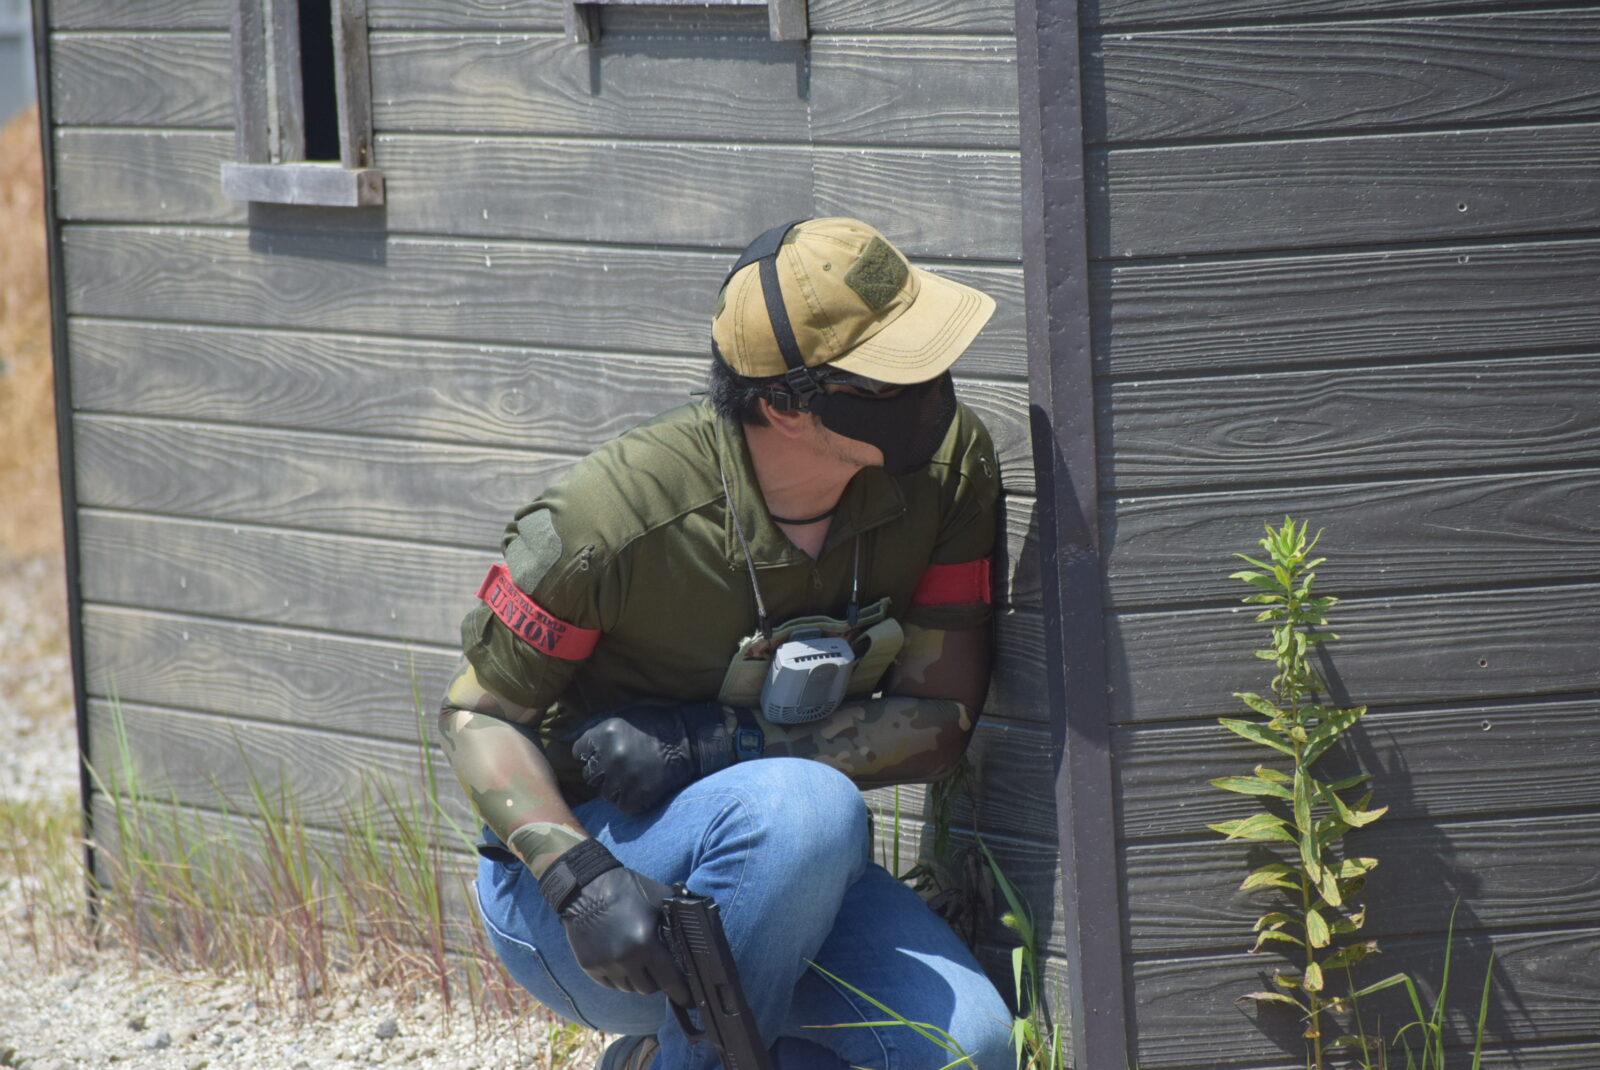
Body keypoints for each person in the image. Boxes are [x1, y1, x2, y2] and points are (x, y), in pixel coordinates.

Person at [438, 217, 1013, 1070]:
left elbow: (941, 721)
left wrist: (717, 744)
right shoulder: (609, 518)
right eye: (898, 373)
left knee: (966, 1051)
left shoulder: (949, 472)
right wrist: (578, 877)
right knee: (805, 807)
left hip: (798, 873)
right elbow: (477, 718)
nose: (935, 387)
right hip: (592, 902)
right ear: (787, 404)